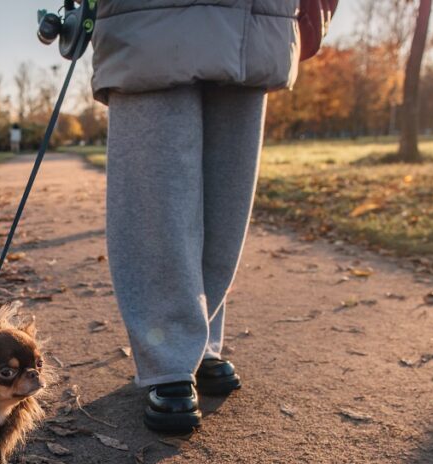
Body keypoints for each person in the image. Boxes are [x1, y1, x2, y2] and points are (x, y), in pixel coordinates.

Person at [90, 0, 308, 433]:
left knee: (226, 193)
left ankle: (200, 339)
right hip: (150, 14)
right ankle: (170, 354)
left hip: (255, 15)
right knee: (156, 189)